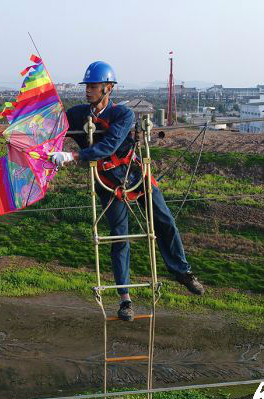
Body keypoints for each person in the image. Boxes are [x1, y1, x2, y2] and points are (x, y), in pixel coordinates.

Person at [49, 61, 204, 322]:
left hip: (136, 175)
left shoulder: (123, 115)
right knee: (119, 238)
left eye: (93, 86)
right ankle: (125, 299)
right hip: (109, 184)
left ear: (108, 88)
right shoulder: (78, 115)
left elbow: (109, 145)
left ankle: (182, 272)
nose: (88, 90)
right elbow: (55, 122)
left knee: (165, 221)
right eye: (87, 86)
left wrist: (74, 156)